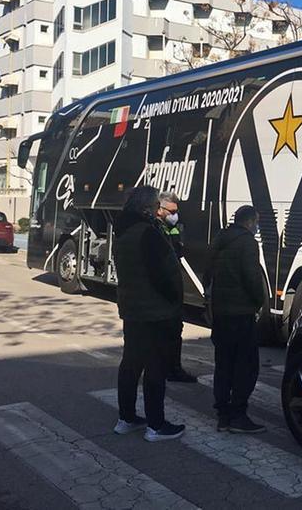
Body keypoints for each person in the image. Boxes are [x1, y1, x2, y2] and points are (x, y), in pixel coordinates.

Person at [112, 185, 186, 442]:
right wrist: (174, 298)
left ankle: (127, 417)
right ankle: (156, 424)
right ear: (147, 207)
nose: (159, 209)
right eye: (156, 205)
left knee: (131, 364)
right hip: (155, 311)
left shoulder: (124, 231)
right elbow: (162, 273)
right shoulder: (148, 233)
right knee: (156, 367)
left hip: (132, 308)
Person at [206, 205, 266, 434]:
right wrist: (258, 301)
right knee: (246, 366)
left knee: (223, 364)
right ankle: (238, 414)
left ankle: (223, 414)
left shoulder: (221, 237)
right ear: (250, 222)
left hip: (221, 312)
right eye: (257, 222)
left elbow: (208, 272)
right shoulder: (248, 242)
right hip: (241, 313)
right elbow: (252, 277)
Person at [155, 191, 197, 384]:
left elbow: (177, 251)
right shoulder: (155, 230)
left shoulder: (169, 228)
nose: (175, 215)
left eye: (176, 211)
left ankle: (172, 368)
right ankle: (165, 369)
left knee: (174, 332)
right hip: (162, 294)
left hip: (172, 292)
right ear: (160, 209)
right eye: (171, 211)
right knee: (164, 334)